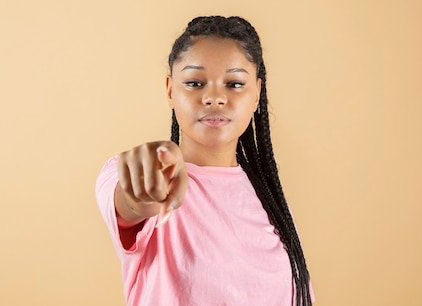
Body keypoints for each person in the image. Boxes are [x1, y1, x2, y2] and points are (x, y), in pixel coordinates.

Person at [95, 16, 314, 306]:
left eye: (234, 84)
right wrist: (145, 188)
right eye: (195, 83)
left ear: (257, 92)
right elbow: (134, 200)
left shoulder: (270, 199)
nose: (214, 97)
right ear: (171, 89)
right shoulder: (143, 173)